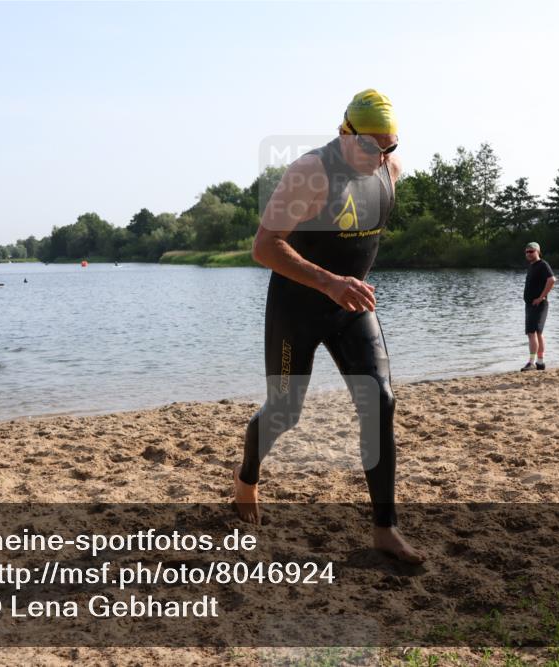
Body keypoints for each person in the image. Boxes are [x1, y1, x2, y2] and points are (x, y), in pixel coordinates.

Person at [233, 89, 422, 563]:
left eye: (391, 146)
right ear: (346, 133)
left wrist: (344, 286)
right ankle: (247, 479)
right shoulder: (310, 172)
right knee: (285, 411)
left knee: (380, 401)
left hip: (351, 305)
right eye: (374, 146)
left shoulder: (389, 172)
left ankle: (385, 529)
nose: (383, 157)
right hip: (297, 306)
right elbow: (264, 247)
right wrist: (328, 281)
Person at [521, 242, 556, 371]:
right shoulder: (532, 266)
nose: (529, 254)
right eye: (527, 252)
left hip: (538, 304)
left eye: (531, 251)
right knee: (537, 333)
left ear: (538, 252)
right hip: (531, 304)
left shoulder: (542, 264)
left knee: (532, 333)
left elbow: (552, 280)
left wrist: (541, 297)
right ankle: (540, 362)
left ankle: (531, 362)